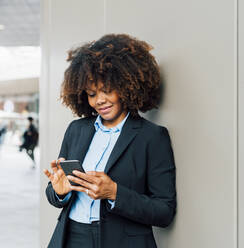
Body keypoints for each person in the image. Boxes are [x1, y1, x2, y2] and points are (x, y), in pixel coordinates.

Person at [43, 34, 176, 248]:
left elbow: (164, 211)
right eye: (92, 94)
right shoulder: (76, 130)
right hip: (72, 238)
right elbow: (55, 193)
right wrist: (59, 191)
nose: (100, 100)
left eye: (107, 90)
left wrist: (114, 193)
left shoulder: (151, 137)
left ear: (126, 86)